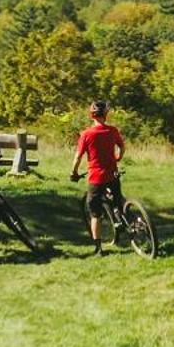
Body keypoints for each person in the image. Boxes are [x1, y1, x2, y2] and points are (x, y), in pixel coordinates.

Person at [69, 100, 125, 256]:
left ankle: (99, 249)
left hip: (96, 178)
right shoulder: (112, 131)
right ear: (105, 115)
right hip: (112, 173)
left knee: (95, 214)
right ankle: (119, 215)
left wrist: (74, 172)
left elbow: (78, 157)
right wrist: (117, 158)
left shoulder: (86, 134)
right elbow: (122, 147)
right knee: (117, 198)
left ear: (91, 115)